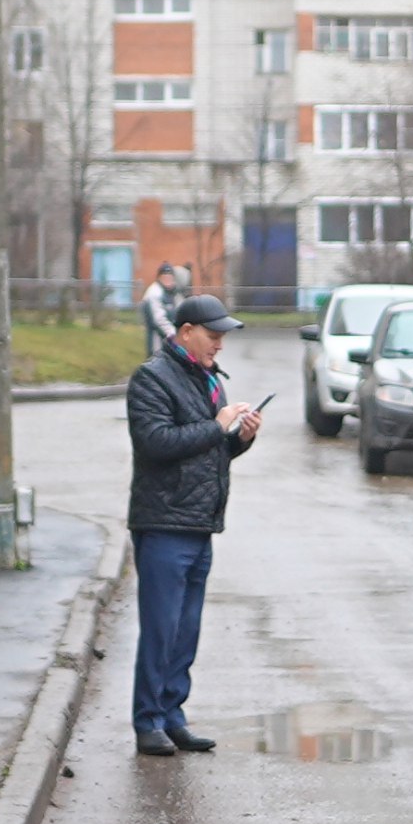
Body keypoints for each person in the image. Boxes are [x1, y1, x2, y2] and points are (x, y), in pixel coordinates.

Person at [127, 292, 260, 757]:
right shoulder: (151, 378)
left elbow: (210, 452)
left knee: (186, 631)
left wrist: (239, 438)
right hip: (163, 523)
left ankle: (172, 716)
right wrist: (217, 424)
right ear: (186, 333)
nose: (219, 345)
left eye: (222, 337)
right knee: (161, 627)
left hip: (200, 525)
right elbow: (156, 441)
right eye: (213, 335)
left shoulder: (209, 380)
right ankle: (148, 722)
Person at [139, 263, 176, 358]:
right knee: (156, 362)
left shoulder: (171, 292)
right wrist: (174, 334)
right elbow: (159, 319)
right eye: (165, 277)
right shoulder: (154, 293)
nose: (168, 280)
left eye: (170, 277)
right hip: (157, 338)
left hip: (168, 339)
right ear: (159, 278)